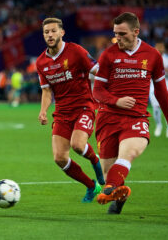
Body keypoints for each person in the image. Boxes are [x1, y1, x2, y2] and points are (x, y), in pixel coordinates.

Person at [93, 12, 168, 214]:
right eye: (115, 33)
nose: (117, 38)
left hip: (136, 118)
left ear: (136, 32)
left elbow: (161, 91)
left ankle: (110, 190)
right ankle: (119, 194)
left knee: (130, 153)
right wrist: (116, 100)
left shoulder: (152, 55)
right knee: (109, 170)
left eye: (122, 33)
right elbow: (98, 91)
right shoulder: (108, 55)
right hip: (107, 118)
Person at [36, 17, 105, 203]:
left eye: (53, 31)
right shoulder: (41, 62)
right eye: (46, 32)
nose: (50, 35)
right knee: (59, 158)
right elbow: (46, 91)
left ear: (61, 32)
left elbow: (98, 71)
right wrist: (43, 111)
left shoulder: (76, 51)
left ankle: (95, 160)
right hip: (62, 112)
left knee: (77, 145)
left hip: (84, 106)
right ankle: (91, 186)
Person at [149, 42, 168, 138]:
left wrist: (166, 69)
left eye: (161, 47)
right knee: (156, 107)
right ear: (155, 48)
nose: (160, 49)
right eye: (158, 47)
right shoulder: (150, 58)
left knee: (167, 106)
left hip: (166, 83)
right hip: (153, 84)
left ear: (164, 49)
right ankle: (158, 125)